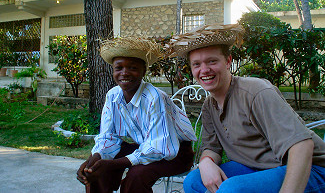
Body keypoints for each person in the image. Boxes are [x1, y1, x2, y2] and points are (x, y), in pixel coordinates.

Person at [167, 23, 325, 193]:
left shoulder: (256, 92)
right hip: (254, 167)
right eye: (196, 64)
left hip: (309, 169)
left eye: (212, 61)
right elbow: (212, 147)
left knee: (231, 189)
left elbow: (302, 146)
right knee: (193, 181)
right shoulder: (209, 106)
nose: (204, 70)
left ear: (228, 61)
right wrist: (206, 162)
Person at [77, 36, 196, 193]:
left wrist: (113, 164)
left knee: (136, 176)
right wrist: (93, 159)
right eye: (119, 68)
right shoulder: (113, 96)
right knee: (97, 169)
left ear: (143, 71)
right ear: (113, 70)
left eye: (132, 68)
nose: (124, 73)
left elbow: (159, 147)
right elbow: (108, 137)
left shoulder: (154, 97)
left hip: (175, 153)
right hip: (146, 145)